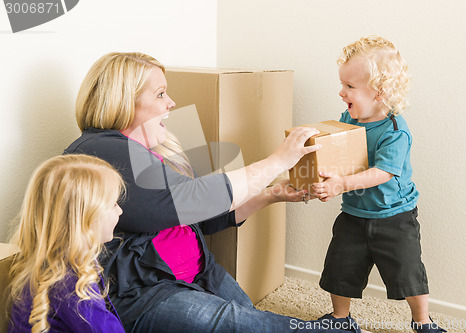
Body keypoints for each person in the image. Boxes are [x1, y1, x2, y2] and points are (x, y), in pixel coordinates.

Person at [64, 52, 367, 333]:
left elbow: (205, 218)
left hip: (200, 272)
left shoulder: (156, 149)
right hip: (147, 291)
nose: (171, 103)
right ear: (123, 101)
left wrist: (271, 194)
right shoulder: (99, 150)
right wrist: (277, 161)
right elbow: (189, 199)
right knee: (248, 324)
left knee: (249, 317)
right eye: (160, 94)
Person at [311, 36, 446, 333]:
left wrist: (341, 183)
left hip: (394, 216)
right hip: (355, 212)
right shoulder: (349, 118)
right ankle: (340, 317)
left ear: (380, 92)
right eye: (342, 84)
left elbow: (383, 172)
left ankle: (422, 321)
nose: (340, 92)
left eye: (349, 86)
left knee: (409, 271)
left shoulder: (395, 130)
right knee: (340, 267)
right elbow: (341, 149)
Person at [8, 154, 126, 332]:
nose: (120, 211)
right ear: (86, 219)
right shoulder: (70, 285)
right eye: (113, 204)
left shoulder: (57, 266)